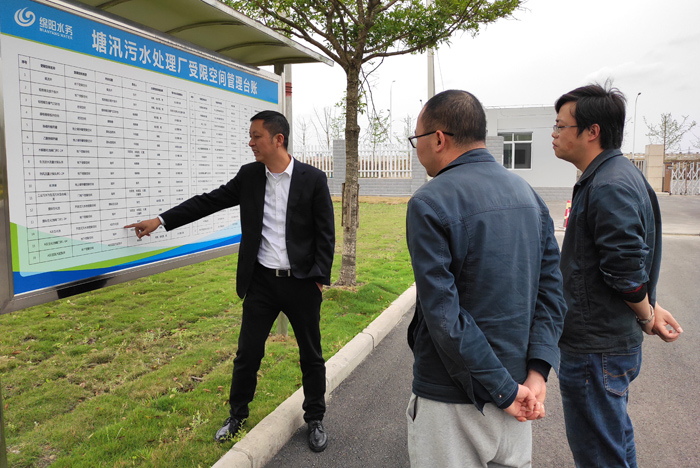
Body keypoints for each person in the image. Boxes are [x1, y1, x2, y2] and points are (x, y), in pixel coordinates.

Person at [125, 110, 335, 453]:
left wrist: (318, 280)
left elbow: (326, 233)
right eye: (250, 136)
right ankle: (237, 415)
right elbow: (209, 201)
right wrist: (161, 220)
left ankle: (315, 418)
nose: (250, 143)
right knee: (247, 354)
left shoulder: (312, 179)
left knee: (311, 354)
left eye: (256, 136)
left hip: (301, 283)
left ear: (278, 139)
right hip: (261, 282)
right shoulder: (250, 176)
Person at [404, 89, 567, 468]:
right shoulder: (530, 197)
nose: (417, 148)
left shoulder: (429, 202)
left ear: (438, 139)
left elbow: (444, 316)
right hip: (520, 395)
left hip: (453, 402)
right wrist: (537, 372)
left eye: (416, 138)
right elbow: (552, 295)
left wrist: (505, 390)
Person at [553, 83, 683, 468]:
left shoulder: (609, 185)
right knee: (614, 442)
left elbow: (624, 270)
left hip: (596, 348)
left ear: (592, 131)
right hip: (605, 343)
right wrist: (650, 306)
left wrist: (647, 315)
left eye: (561, 125)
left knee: (599, 454)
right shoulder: (615, 175)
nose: (554, 134)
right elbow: (623, 262)